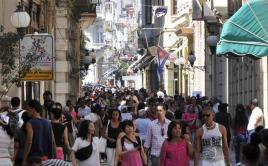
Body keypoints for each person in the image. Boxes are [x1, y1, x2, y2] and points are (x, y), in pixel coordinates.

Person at [22, 99, 56, 166]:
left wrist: (24, 159)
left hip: (34, 159)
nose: (27, 111)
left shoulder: (30, 123)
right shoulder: (48, 123)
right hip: (46, 159)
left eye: (28, 109)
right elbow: (53, 142)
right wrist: (54, 158)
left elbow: (29, 141)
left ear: (33, 109)